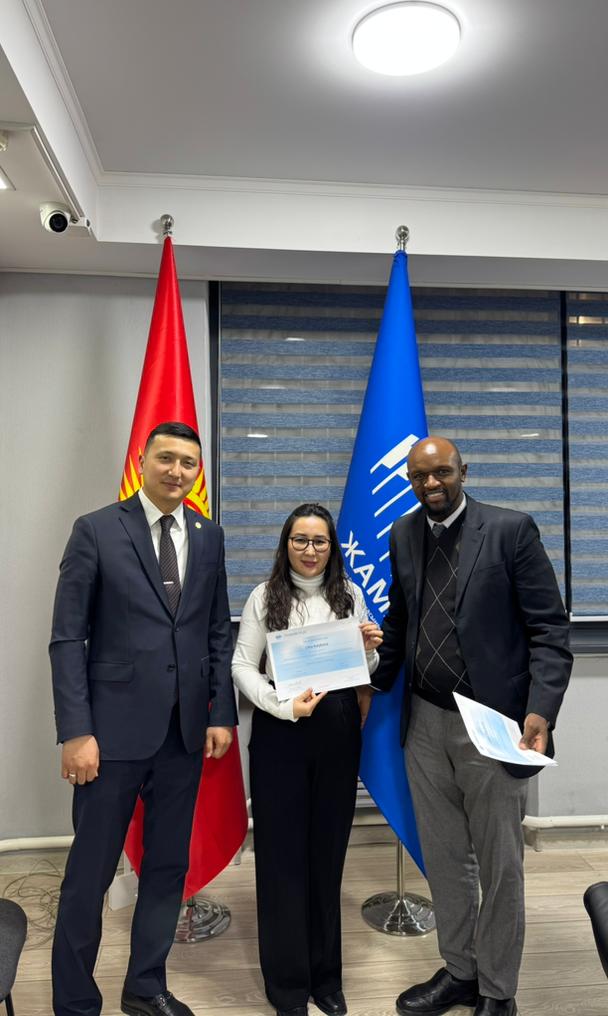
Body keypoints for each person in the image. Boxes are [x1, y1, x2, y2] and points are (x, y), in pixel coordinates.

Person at [361, 437, 572, 1016]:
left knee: (500, 865)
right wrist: (371, 679)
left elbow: (550, 630)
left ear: (463, 471)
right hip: (424, 720)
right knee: (446, 858)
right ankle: (460, 970)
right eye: (419, 476)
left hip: (495, 725)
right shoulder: (403, 533)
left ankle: (498, 990)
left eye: (442, 473)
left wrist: (541, 709)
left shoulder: (510, 530)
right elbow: (401, 622)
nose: (431, 484)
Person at [49, 422, 237, 1016]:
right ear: (143, 461)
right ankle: (75, 1001)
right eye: (166, 458)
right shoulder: (97, 529)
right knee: (90, 875)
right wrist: (76, 731)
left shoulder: (208, 536)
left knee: (167, 867)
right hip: (109, 738)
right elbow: (67, 638)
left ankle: (145, 987)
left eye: (188, 463)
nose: (177, 471)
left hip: (184, 735)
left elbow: (216, 630)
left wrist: (220, 712)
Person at [232, 503, 382, 1016]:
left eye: (320, 541)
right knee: (281, 858)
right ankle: (288, 985)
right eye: (301, 540)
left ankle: (326, 977)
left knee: (327, 855)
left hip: (337, 730)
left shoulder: (350, 594)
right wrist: (281, 705)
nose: (311, 550)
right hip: (281, 730)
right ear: (286, 544)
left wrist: (369, 647)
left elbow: (363, 667)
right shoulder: (263, 596)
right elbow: (241, 666)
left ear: (332, 547)